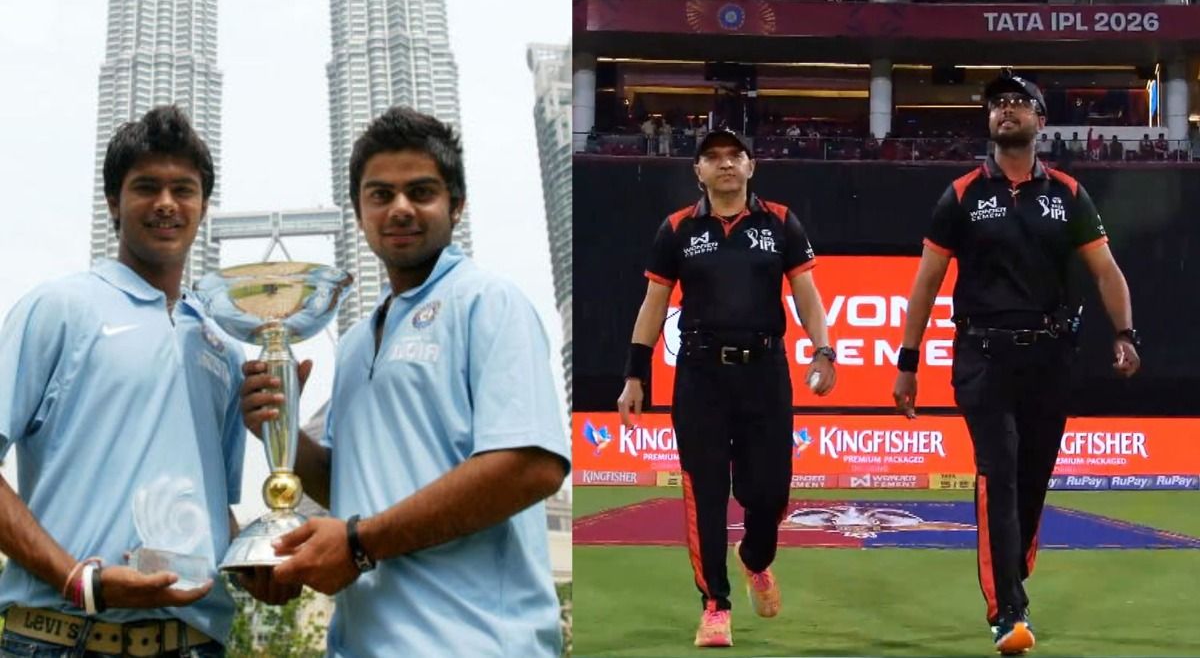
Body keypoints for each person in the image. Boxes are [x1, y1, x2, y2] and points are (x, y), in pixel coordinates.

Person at [237, 107, 569, 657]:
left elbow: (531, 466)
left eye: (421, 192)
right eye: (380, 195)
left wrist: (359, 543)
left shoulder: (488, 302)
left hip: (476, 644)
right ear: (360, 210)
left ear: (456, 206)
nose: (400, 209)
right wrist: (281, 434)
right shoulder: (355, 343)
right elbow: (351, 484)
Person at [892, 69, 1141, 656]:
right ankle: (1007, 611)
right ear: (989, 121)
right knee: (997, 475)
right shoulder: (960, 195)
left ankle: (1012, 575)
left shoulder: (1069, 195)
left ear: (1040, 121)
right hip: (982, 354)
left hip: (1051, 355)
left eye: (1019, 103)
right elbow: (927, 280)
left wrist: (1126, 334)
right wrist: (908, 360)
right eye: (998, 104)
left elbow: (1105, 270)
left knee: (1031, 482)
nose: (1007, 111)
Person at [0, 106, 245, 656]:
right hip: (59, 639)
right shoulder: (58, 308)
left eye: (184, 188)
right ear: (114, 201)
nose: (166, 203)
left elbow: (213, 514)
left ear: (203, 205)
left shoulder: (223, 350)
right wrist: (78, 581)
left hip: (194, 643)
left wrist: (263, 565)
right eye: (146, 187)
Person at [616, 128, 837, 648]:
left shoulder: (780, 222)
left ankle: (756, 559)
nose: (725, 164)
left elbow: (805, 293)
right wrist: (634, 373)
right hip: (700, 376)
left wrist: (823, 350)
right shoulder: (676, 229)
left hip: (765, 373)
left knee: (770, 491)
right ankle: (715, 603)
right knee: (705, 493)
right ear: (698, 171)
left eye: (735, 155)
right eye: (712, 158)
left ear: (750, 165)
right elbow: (653, 304)